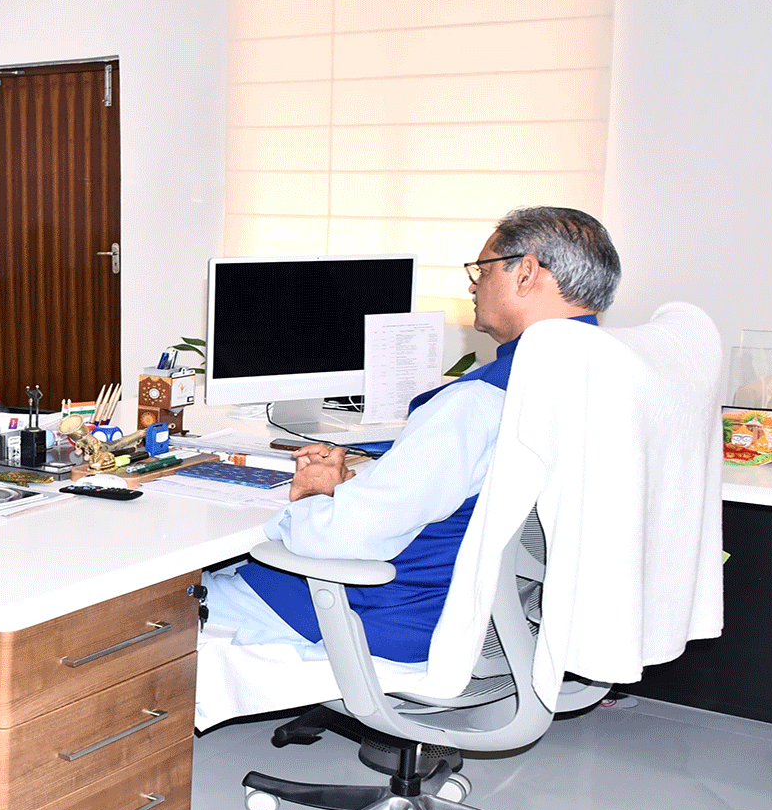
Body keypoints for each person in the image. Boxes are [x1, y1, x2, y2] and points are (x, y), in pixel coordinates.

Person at [203, 207, 621, 663]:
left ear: (525, 273)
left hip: (381, 618)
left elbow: (345, 538)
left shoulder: (476, 402)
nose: (473, 286)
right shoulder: (608, 381)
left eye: (482, 270)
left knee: (166, 605)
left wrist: (314, 500)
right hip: (497, 625)